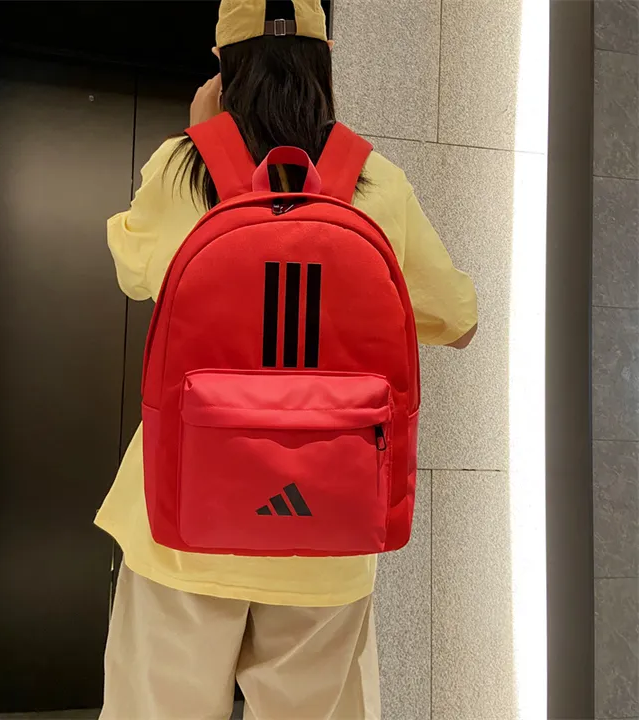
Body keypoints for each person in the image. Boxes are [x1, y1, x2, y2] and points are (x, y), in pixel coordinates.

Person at [96, 1, 478, 718]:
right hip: (328, 530)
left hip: (181, 520)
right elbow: (459, 322)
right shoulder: (376, 182)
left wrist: (198, 130)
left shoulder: (183, 168)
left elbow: (134, 269)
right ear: (325, 60)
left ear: (223, 66)